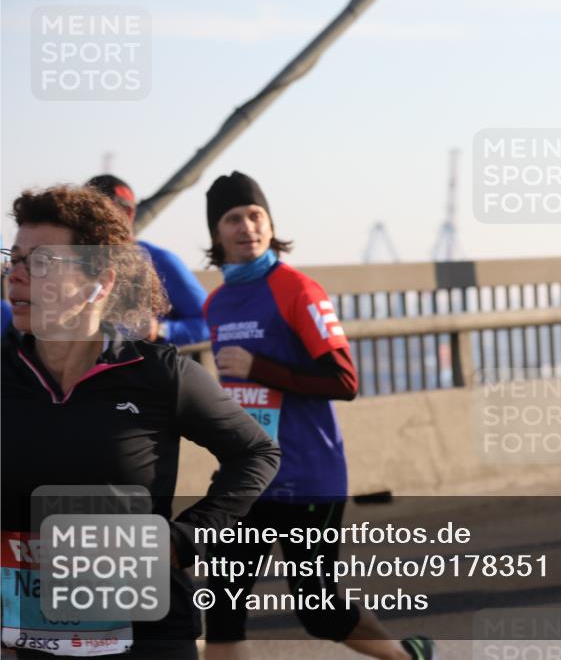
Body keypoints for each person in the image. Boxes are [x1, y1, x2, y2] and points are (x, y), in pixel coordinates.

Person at [0, 185, 281, 659]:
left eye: (41, 262)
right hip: (28, 640)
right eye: (15, 258)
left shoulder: (159, 375)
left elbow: (257, 452)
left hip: (144, 638)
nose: (16, 274)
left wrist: (186, 536)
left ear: (100, 282)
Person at [200, 171, 435, 660]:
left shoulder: (298, 290)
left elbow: (344, 381)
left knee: (319, 610)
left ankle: (407, 657)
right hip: (248, 477)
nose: (247, 226)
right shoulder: (216, 303)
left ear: (270, 222)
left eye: (255, 215)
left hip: (307, 476)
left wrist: (258, 367)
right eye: (233, 218)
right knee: (221, 605)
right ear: (216, 234)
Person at [85, 174, 210, 346]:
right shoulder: (72, 263)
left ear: (127, 213)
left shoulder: (160, 261)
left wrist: (159, 330)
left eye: (97, 212)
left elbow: (208, 322)